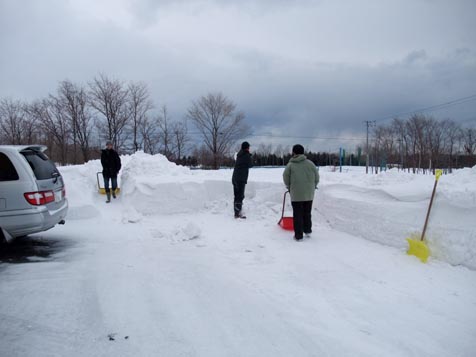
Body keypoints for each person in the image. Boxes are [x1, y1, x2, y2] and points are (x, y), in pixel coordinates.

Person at [283, 144, 319, 241]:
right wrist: (313, 186)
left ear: (294, 152)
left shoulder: (290, 165)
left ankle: (298, 235)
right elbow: (317, 177)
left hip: (296, 193)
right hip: (309, 193)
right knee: (307, 212)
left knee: (298, 214)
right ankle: (307, 230)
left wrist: (289, 187)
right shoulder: (310, 164)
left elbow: (285, 178)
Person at [232, 141, 253, 219]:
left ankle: (236, 212)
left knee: (236, 195)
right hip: (240, 179)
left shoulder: (239, 155)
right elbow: (251, 165)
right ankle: (237, 213)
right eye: (249, 147)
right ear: (247, 148)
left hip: (235, 178)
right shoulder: (246, 155)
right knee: (240, 196)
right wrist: (249, 155)